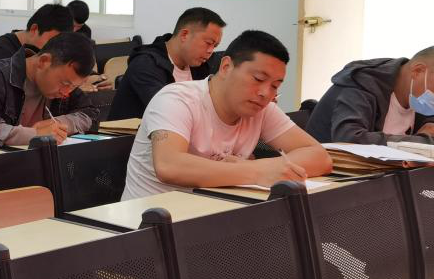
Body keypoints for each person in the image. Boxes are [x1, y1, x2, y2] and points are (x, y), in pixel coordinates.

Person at [121, 31, 331, 200]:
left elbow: (319, 157)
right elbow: (169, 165)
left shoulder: (261, 109)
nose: (265, 93)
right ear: (226, 66)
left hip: (216, 215)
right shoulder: (176, 99)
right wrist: (258, 173)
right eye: (258, 79)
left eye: (275, 86)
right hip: (148, 224)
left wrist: (252, 166)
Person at [0, 33, 98, 147]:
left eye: (73, 87)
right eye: (65, 83)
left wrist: (59, 124)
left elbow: (91, 114)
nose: (66, 92)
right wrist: (35, 134)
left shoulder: (65, 83)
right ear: (44, 61)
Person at [109, 8, 226, 121]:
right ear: (184, 35)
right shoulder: (146, 63)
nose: (210, 51)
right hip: (133, 134)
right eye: (208, 43)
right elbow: (166, 110)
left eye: (215, 46)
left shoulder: (201, 66)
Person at [307, 46, 434, 144]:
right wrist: (420, 141)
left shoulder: (419, 96)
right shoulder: (362, 83)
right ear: (418, 71)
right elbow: (349, 139)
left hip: (392, 169)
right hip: (332, 167)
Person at [0, 3, 74, 69]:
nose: (53, 50)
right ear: (34, 29)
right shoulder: (0, 50)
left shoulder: (42, 54)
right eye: (51, 41)